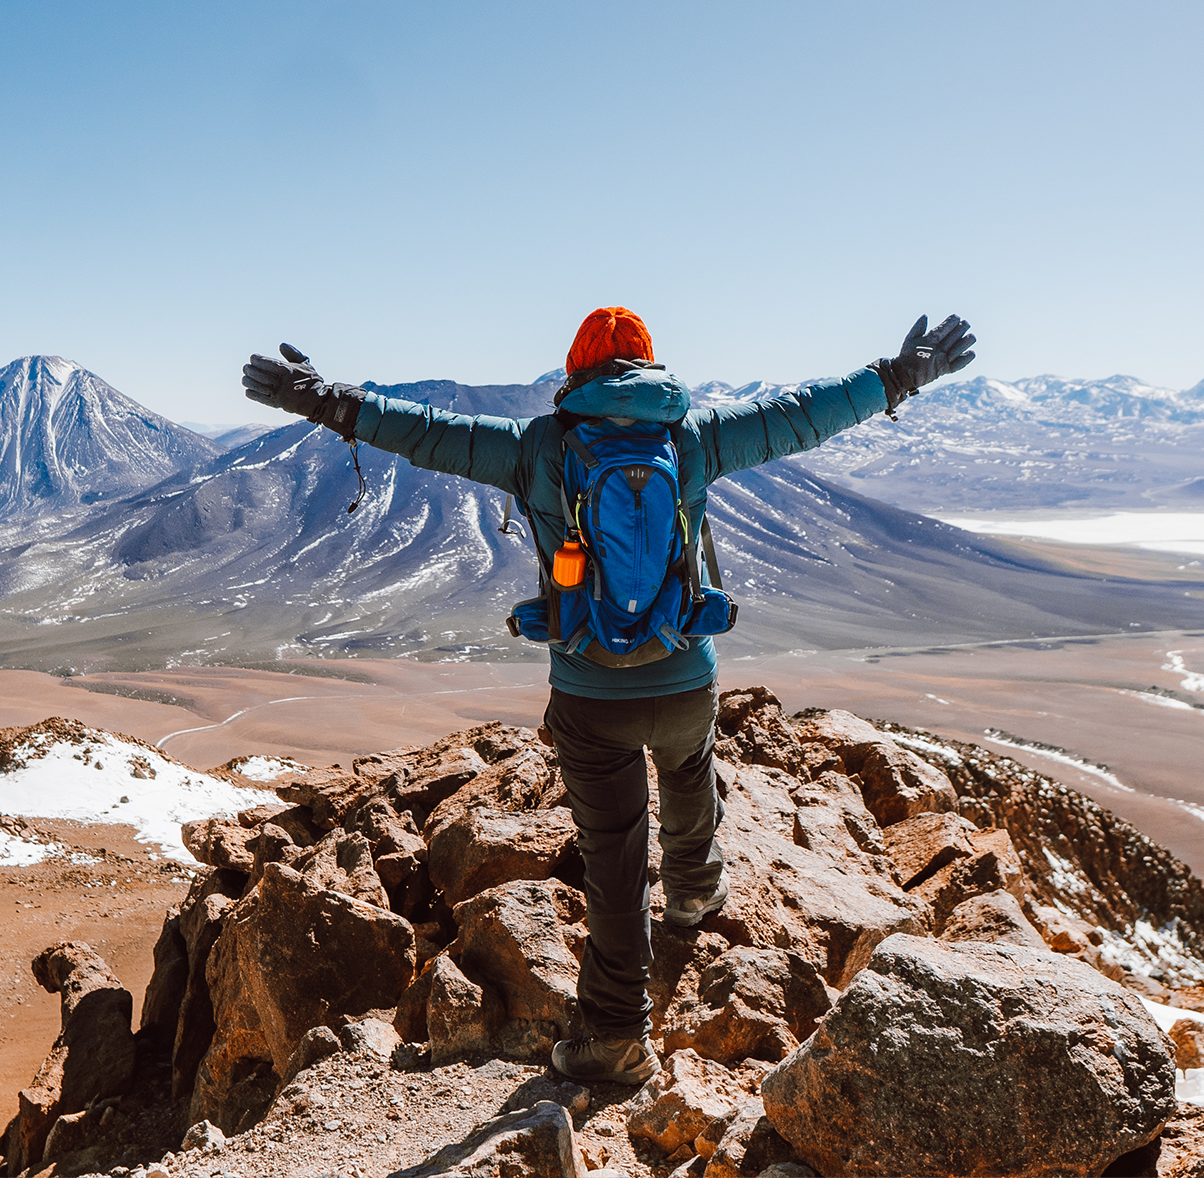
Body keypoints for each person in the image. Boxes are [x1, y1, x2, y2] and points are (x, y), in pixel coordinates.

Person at [239, 306, 977, 1088]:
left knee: (616, 862)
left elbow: (423, 430)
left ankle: (618, 1036)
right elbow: (803, 416)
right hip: (685, 675)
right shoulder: (693, 437)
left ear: (577, 372)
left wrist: (323, 399)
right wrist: (900, 375)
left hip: (591, 692)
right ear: (650, 367)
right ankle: (695, 888)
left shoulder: (538, 447)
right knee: (690, 767)